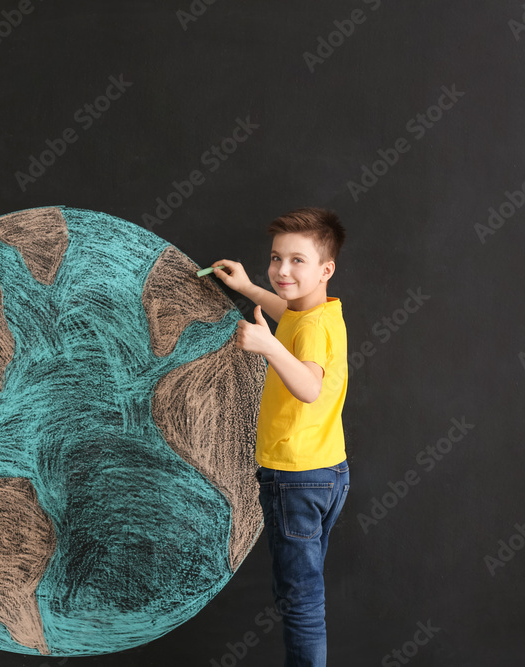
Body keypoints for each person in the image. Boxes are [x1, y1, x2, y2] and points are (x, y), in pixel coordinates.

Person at [211, 207, 349, 667]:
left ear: (325, 269)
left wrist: (269, 347)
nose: (282, 271)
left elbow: (308, 386)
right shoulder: (319, 313)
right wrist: (250, 288)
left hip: (295, 479)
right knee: (303, 587)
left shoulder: (308, 329)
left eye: (297, 261)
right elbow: (286, 313)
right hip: (327, 472)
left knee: (300, 601)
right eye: (276, 259)